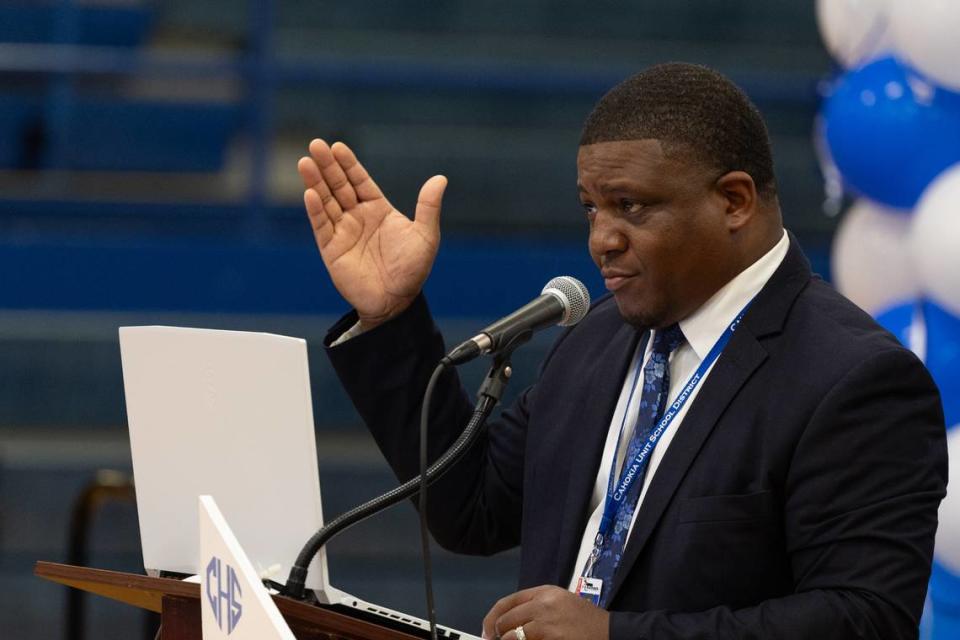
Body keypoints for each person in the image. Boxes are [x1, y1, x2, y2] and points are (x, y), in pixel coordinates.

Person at [296, 63, 948, 639]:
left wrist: (615, 637)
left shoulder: (855, 379)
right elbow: (473, 509)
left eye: (630, 206)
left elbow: (864, 619)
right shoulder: (599, 338)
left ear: (734, 200)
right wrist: (393, 316)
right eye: (590, 209)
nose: (601, 240)